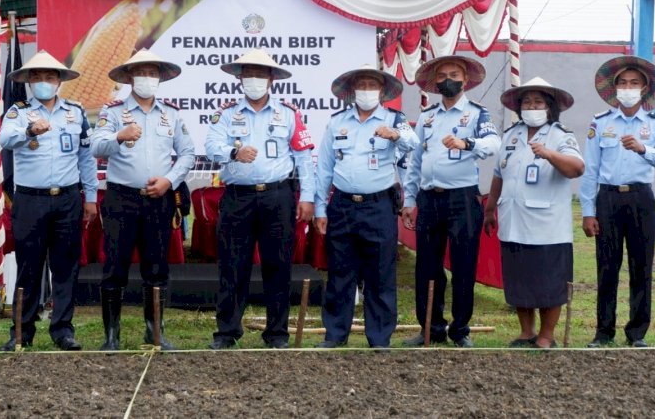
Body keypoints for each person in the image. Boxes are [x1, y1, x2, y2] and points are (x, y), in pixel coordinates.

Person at [205, 48, 315, 350]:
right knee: (232, 266)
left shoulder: (290, 114)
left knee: (278, 266)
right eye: (249, 74)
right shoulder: (226, 113)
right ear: (240, 79)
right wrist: (233, 153)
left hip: (278, 197)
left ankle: (277, 334)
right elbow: (212, 145)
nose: (254, 79)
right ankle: (227, 333)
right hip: (237, 199)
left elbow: (304, 159)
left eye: (260, 74)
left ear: (271, 79)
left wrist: (307, 197)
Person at [91, 49, 195, 351]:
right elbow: (96, 147)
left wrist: (170, 181)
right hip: (121, 198)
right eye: (141, 73)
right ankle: (111, 336)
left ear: (160, 78)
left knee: (157, 267)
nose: (147, 78)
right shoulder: (112, 112)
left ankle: (155, 332)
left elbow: (187, 153)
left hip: (158, 199)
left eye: (152, 73)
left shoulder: (171, 114)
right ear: (129, 78)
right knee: (114, 266)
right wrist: (119, 136)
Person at [0, 51, 98, 351]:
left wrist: (90, 197)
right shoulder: (18, 112)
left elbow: (86, 157)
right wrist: (29, 129)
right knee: (29, 267)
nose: (44, 82)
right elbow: (5, 140)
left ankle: (63, 329)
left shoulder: (76, 112)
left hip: (67, 198)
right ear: (29, 81)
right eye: (37, 77)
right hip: (30, 200)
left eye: (50, 77)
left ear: (59, 81)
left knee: (65, 267)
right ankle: (22, 331)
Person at [314, 65, 418, 349]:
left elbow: (414, 144)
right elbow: (324, 168)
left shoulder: (395, 119)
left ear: (382, 92)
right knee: (340, 273)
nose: (367, 90)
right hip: (343, 205)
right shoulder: (337, 122)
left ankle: (380, 337)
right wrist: (320, 209)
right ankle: (335, 335)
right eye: (362, 85)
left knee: (380, 273)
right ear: (352, 91)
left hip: (379, 206)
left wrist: (396, 136)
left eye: (372, 85)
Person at [401, 55, 500, 348]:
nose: (448, 79)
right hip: (429, 199)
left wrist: (467, 143)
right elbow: (414, 160)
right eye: (442, 75)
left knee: (463, 265)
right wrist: (409, 199)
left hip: (463, 199)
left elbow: (493, 144)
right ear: (435, 83)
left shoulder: (477, 114)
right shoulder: (427, 117)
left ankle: (460, 330)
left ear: (464, 80)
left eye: (454, 74)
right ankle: (430, 328)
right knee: (428, 267)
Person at [483, 77, 584, 349]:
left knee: (550, 283)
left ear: (550, 107)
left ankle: (546, 336)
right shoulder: (511, 135)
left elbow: (576, 168)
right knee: (519, 280)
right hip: (513, 220)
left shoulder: (561, 135)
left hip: (547, 227)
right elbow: (497, 175)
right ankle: (526, 332)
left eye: (538, 101)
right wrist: (490, 209)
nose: (532, 106)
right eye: (526, 102)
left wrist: (550, 154)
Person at [580, 56, 655, 348]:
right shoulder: (600, 123)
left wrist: (644, 148)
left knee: (641, 266)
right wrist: (587, 212)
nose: (627, 88)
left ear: (644, 89)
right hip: (607, 198)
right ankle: (603, 331)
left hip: (641, 198)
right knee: (606, 266)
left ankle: (637, 332)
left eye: (634, 83)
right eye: (622, 83)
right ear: (615, 88)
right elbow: (590, 171)